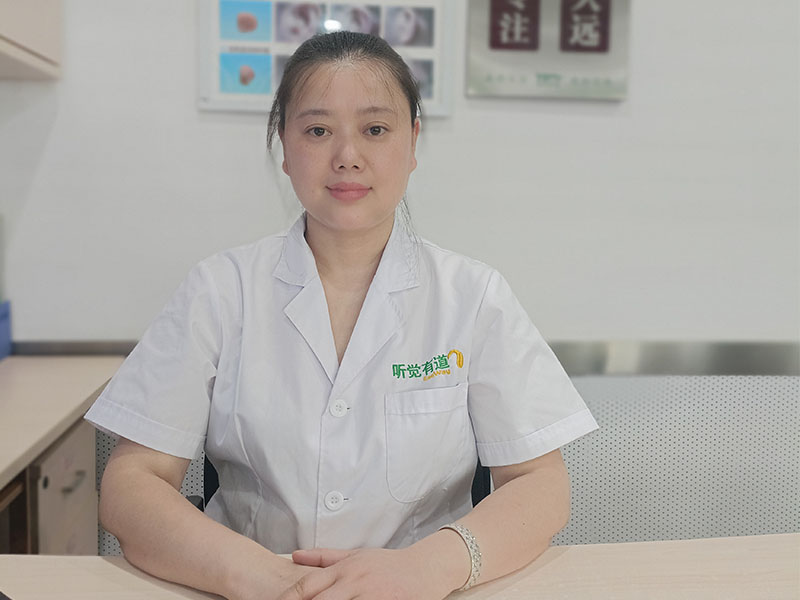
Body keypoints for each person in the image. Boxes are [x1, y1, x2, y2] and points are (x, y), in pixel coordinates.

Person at [86, 31, 597, 600]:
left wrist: (429, 568)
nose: (348, 155)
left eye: (375, 129)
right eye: (318, 131)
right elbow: (131, 484)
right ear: (285, 146)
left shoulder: (473, 296)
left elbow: (540, 484)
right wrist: (254, 574)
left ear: (412, 142)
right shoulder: (220, 290)